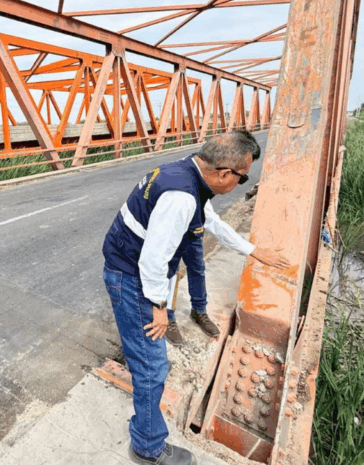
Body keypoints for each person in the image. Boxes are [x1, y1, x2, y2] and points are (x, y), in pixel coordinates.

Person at [101, 130, 289, 465]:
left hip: (127, 268)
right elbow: (153, 261)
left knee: (149, 361)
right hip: (131, 278)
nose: (239, 185)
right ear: (224, 174)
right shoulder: (181, 196)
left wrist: (253, 251)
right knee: (152, 366)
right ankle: (147, 448)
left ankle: (145, 428)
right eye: (243, 180)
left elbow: (211, 221)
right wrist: (161, 308)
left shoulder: (187, 172)